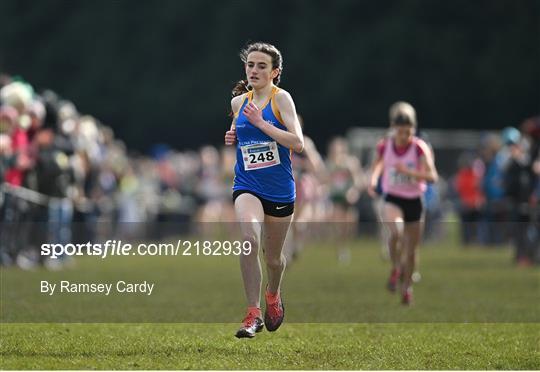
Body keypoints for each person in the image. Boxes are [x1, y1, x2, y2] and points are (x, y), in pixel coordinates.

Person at [224, 42, 304, 338]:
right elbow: (244, 135)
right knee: (248, 238)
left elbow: (297, 143)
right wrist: (234, 135)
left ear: (275, 72)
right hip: (247, 185)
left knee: (274, 259)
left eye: (261, 66)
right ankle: (253, 312)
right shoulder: (238, 103)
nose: (254, 70)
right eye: (250, 65)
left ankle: (273, 294)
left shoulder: (281, 99)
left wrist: (261, 123)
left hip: (280, 191)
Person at [367, 101, 438, 305]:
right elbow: (377, 167)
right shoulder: (384, 145)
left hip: (414, 200)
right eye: (400, 132)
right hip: (393, 197)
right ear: (393, 129)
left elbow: (432, 176)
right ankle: (396, 267)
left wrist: (409, 172)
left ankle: (407, 288)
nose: (404, 137)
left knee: (412, 249)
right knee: (396, 233)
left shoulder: (419, 148)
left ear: (413, 130)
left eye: (408, 133)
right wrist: (373, 181)